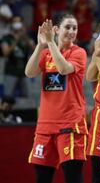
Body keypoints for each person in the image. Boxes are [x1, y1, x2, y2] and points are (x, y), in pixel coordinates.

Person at [25, 16, 87, 183]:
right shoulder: (45, 54)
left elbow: (63, 68)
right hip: (45, 126)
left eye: (75, 28)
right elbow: (29, 72)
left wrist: (51, 43)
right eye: (68, 27)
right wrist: (40, 45)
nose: (72, 31)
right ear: (57, 29)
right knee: (42, 177)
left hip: (69, 124)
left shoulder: (79, 52)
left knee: (72, 177)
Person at [1, 16, 34, 98]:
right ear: (12, 24)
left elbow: (35, 49)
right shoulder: (6, 38)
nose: (17, 24)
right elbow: (6, 53)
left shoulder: (26, 38)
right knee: (7, 96)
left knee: (26, 96)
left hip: (25, 72)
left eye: (19, 22)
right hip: (11, 71)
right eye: (15, 22)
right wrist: (16, 40)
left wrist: (24, 36)